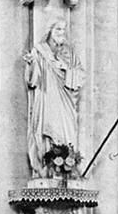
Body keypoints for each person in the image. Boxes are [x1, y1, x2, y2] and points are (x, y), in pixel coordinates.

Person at [24, 12, 84, 176]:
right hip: (46, 99)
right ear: (50, 30)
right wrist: (31, 64)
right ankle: (47, 168)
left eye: (63, 30)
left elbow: (81, 75)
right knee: (47, 131)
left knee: (66, 132)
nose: (61, 33)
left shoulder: (70, 53)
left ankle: (67, 165)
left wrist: (64, 67)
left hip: (65, 101)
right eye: (58, 29)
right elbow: (32, 81)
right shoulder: (40, 51)